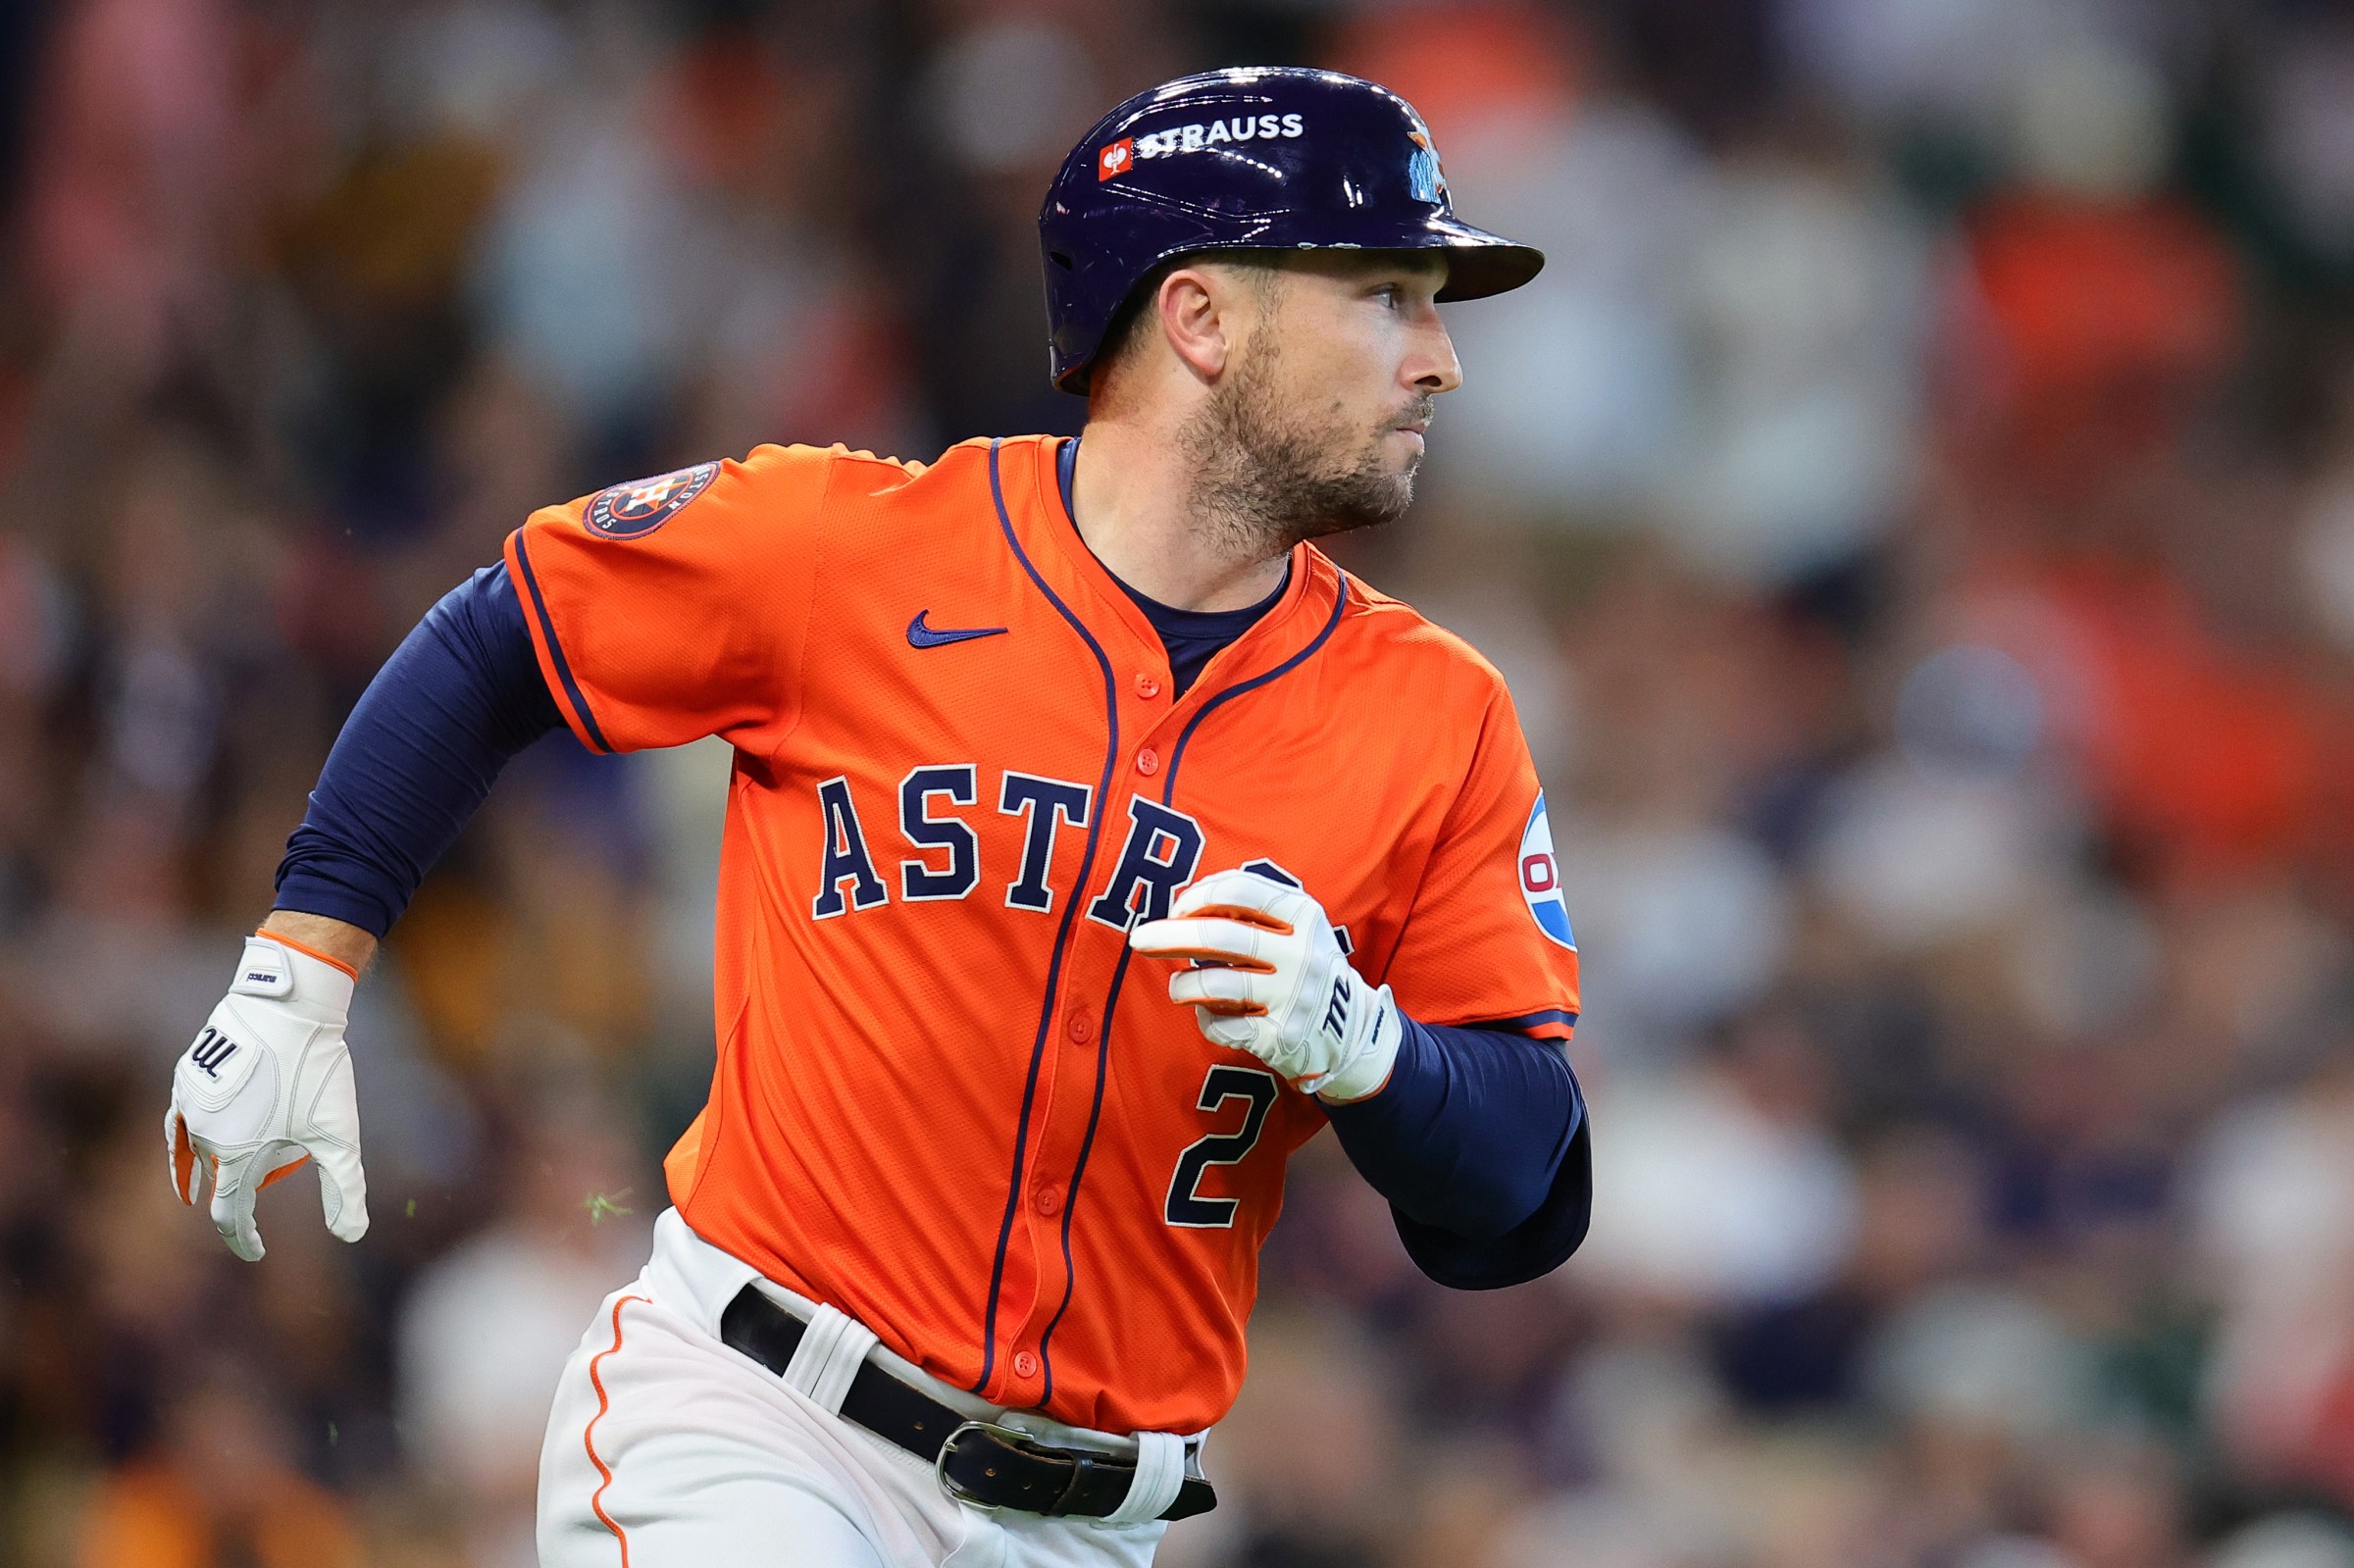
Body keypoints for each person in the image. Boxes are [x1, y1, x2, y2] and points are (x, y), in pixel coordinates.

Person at [163, 67, 1591, 1566]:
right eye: (1386, 294)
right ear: (1204, 320)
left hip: (1090, 1523)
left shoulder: (1441, 717)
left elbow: (1519, 1196)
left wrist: (1375, 1055)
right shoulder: (850, 551)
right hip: (759, 1428)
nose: (1438, 359)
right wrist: (296, 967)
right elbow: (500, 634)